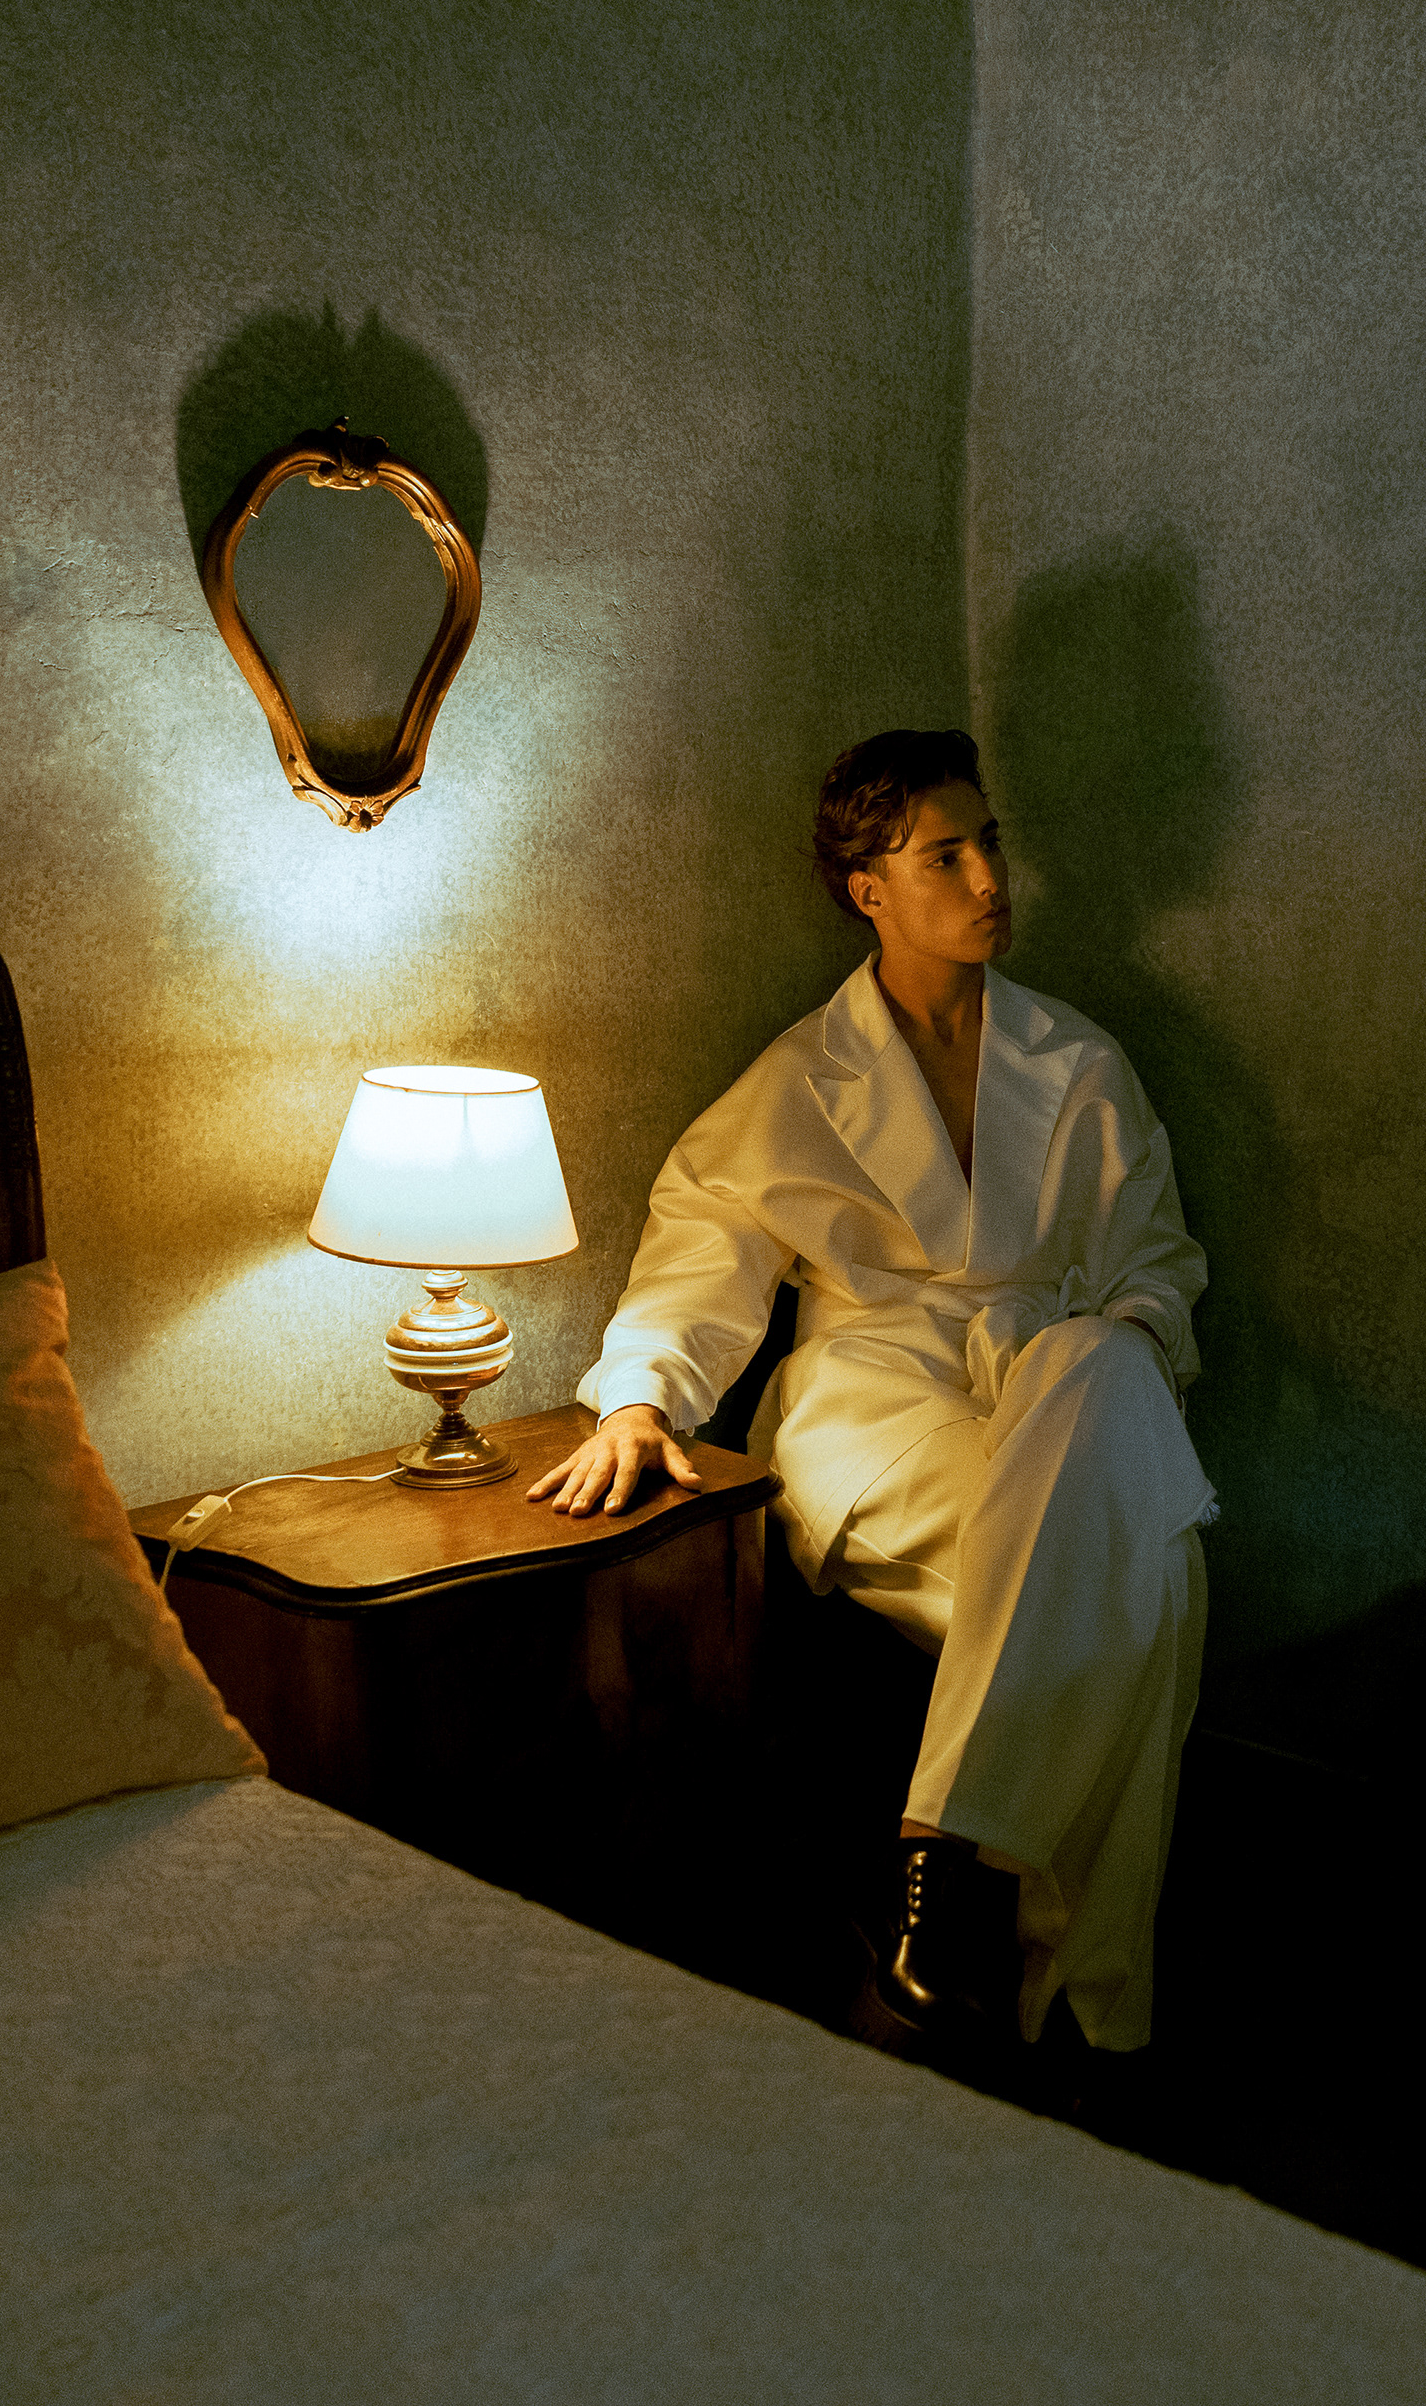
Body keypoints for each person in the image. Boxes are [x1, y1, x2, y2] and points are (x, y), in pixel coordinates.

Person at [527, 730, 1213, 2057]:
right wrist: (640, 1402)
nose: (990, 879)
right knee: (1154, 1581)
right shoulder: (801, 1078)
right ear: (869, 889)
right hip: (878, 1402)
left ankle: (934, 1879)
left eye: (989, 843)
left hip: (1054, 1379)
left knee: (1105, 1363)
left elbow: (1155, 1266)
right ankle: (1088, 2011)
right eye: (944, 856)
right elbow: (702, 1254)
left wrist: (1118, 1367)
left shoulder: (1081, 1062)